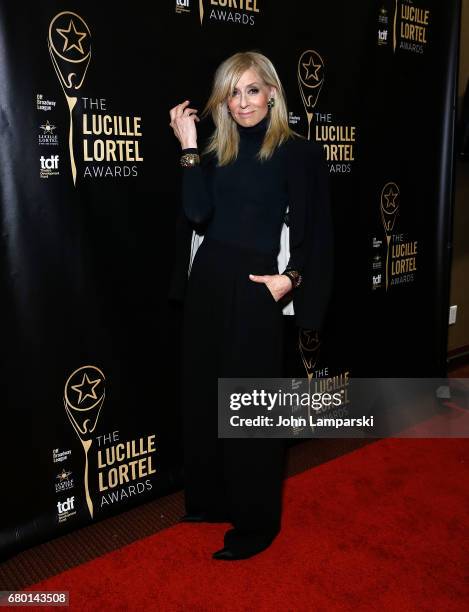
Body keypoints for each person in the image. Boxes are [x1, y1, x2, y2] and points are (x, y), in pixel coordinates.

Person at [169, 50, 333, 560]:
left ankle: (257, 524)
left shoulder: (298, 153)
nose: (242, 103)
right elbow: (196, 213)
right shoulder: (214, 149)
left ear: (274, 93)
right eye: (233, 92)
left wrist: (292, 279)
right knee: (203, 397)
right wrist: (190, 146)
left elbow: (318, 231)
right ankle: (212, 499)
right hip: (210, 281)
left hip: (258, 285)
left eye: (252, 90)